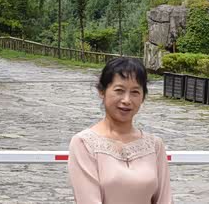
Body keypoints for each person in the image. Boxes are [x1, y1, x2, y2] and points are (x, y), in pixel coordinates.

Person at [68, 57, 172, 204]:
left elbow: (164, 200)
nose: (126, 100)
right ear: (102, 91)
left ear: (143, 97)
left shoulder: (154, 146)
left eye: (135, 92)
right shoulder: (84, 143)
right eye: (119, 90)